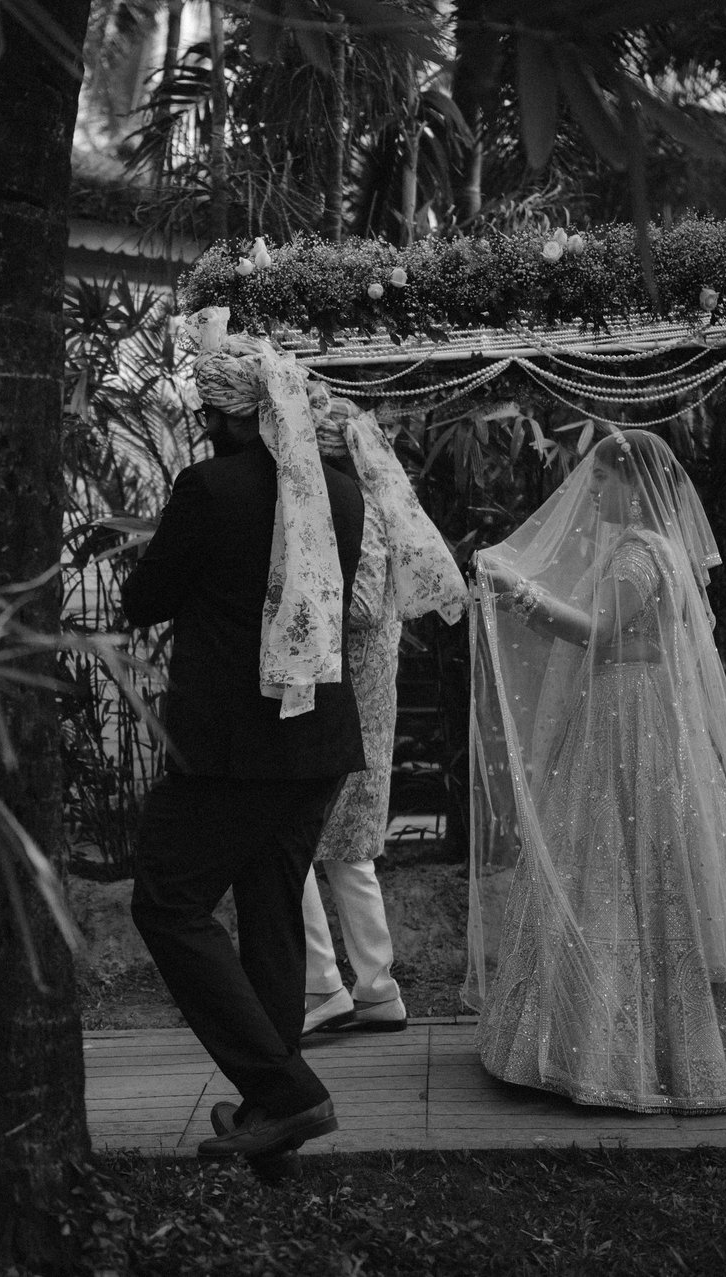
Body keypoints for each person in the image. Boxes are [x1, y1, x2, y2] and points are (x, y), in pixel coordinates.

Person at [465, 429, 726, 1113]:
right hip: (629, 708)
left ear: (635, 485)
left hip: (633, 714)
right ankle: (607, 1035)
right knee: (622, 857)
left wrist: (520, 592)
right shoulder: (651, 548)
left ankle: (630, 1045)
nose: (593, 491)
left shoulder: (642, 553)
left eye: (603, 479)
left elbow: (596, 629)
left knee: (630, 857)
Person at [124, 309, 366, 1167]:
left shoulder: (209, 489)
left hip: (234, 747)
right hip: (319, 743)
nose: (203, 425)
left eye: (206, 412)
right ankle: (271, 1113)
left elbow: (144, 600)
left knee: (167, 899)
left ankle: (287, 1091)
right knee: (270, 907)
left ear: (231, 417)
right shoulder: (341, 492)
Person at [299, 394, 468, 1036]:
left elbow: (366, 605)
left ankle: (333, 986)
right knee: (340, 845)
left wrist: (296, 610)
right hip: (354, 694)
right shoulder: (366, 503)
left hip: (352, 696)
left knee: (311, 840)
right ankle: (371, 988)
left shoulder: (356, 509)